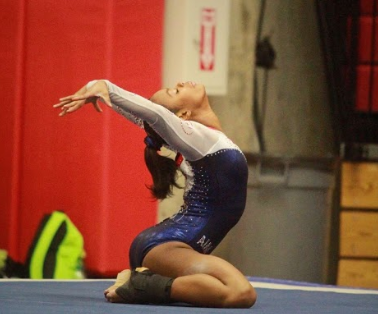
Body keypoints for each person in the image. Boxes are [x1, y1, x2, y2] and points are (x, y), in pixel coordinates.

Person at [53, 80, 257, 308]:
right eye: (175, 91)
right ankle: (141, 286)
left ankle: (145, 281)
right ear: (184, 114)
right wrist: (106, 88)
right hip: (166, 246)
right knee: (240, 292)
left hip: (167, 245)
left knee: (229, 289)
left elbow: (150, 120)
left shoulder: (200, 142)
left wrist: (101, 91)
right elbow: (155, 116)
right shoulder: (198, 138)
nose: (179, 83)